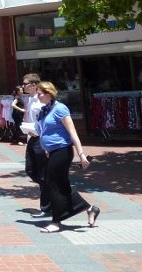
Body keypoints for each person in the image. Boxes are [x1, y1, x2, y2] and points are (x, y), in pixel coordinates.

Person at [36, 81, 99, 233]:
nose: (38, 96)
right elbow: (45, 131)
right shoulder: (45, 110)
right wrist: (45, 148)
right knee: (62, 186)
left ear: (49, 93)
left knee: (51, 183)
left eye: (40, 93)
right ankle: (90, 208)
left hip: (62, 151)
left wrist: (81, 155)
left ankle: (56, 222)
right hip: (51, 152)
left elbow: (73, 133)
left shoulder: (60, 109)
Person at [21, 73, 49, 216]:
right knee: (30, 169)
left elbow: (46, 120)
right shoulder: (30, 99)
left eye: (25, 83)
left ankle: (46, 207)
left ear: (33, 85)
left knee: (43, 175)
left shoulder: (41, 100)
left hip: (41, 139)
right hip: (32, 137)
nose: (23, 86)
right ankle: (49, 190)